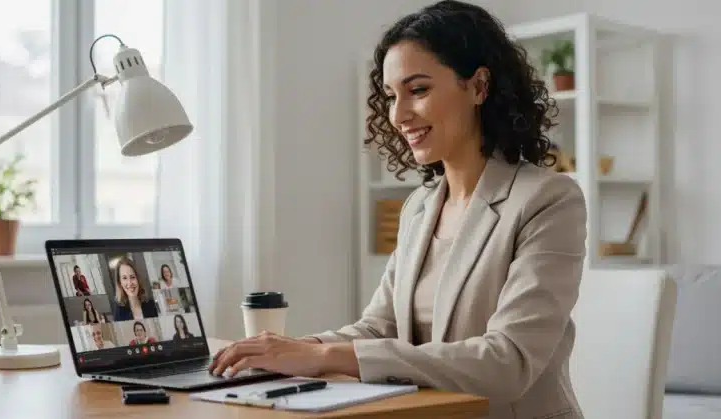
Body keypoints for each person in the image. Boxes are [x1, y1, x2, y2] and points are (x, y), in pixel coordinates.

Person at [208, 1, 586, 418]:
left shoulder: (548, 199)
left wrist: (326, 357)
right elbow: (378, 328)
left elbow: (507, 362)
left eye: (418, 90)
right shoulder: (420, 207)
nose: (399, 115)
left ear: (479, 87)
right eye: (391, 96)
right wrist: (295, 350)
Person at [112, 257, 159, 321]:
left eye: (132, 277)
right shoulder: (119, 313)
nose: (130, 283)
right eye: (124, 278)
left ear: (138, 279)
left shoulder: (152, 306)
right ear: (120, 283)